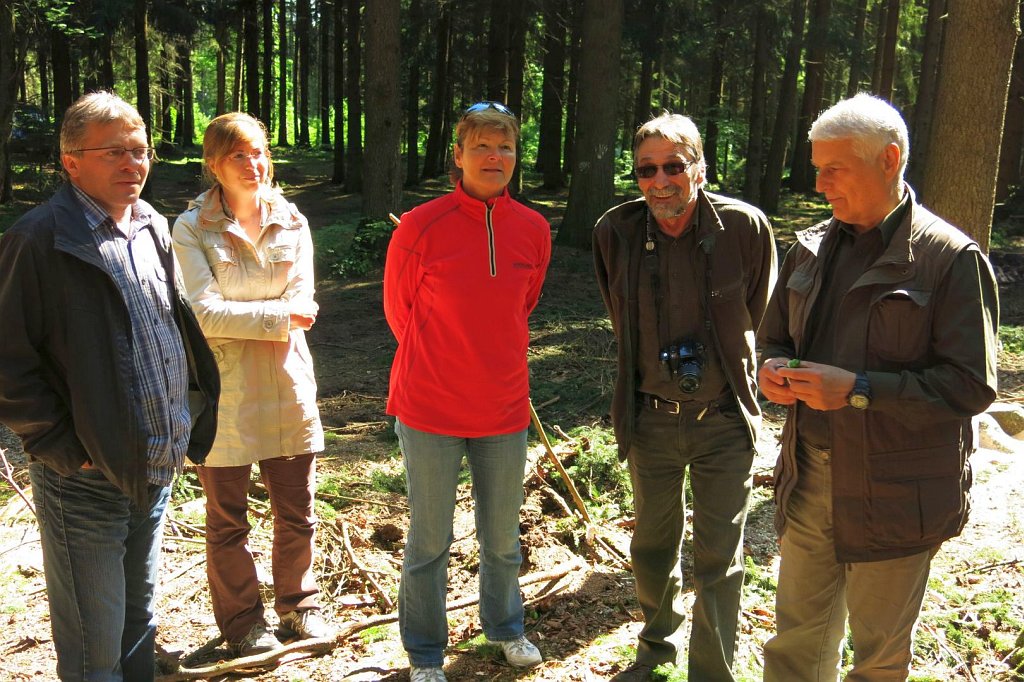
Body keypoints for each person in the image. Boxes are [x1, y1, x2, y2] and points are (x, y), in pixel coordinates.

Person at [757, 93, 999, 681]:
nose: (819, 185)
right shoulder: (809, 246)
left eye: (834, 169)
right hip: (809, 475)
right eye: (817, 168)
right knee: (795, 644)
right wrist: (772, 369)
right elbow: (772, 338)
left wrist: (859, 390)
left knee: (880, 659)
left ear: (888, 160)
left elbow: (970, 386)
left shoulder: (950, 259)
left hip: (897, 492)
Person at [0, 91, 219, 681]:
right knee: (95, 649)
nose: (133, 164)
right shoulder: (38, 239)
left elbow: (167, 330)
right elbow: (8, 362)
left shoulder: (150, 224)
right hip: (86, 478)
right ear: (71, 162)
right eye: (115, 152)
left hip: (153, 464)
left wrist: (186, 416)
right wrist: (63, 447)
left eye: (140, 151)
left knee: (137, 626)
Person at [593, 113, 777, 681]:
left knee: (720, 555)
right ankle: (656, 654)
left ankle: (712, 672)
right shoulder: (616, 231)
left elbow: (759, 312)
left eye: (674, 166)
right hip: (650, 418)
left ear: (700, 167)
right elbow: (617, 312)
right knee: (652, 547)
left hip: (724, 418)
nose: (660, 181)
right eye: (646, 170)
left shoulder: (743, 227)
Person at [383, 101, 551, 682]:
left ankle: (505, 628)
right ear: (458, 156)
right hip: (429, 405)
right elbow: (400, 312)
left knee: (502, 538)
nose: (494, 157)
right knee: (430, 540)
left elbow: (522, 305)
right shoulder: (420, 225)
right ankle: (425, 653)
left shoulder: (534, 228)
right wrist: (446, 360)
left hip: (503, 408)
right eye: (481, 146)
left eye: (504, 147)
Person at [171, 112, 331, 657]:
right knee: (227, 521)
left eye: (259, 152)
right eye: (237, 154)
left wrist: (252, 314)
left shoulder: (292, 221)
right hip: (224, 393)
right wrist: (277, 315)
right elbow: (203, 314)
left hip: (288, 385)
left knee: (298, 512)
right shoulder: (191, 228)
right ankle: (242, 624)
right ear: (213, 164)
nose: (252, 163)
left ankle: (299, 607)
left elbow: (306, 303)